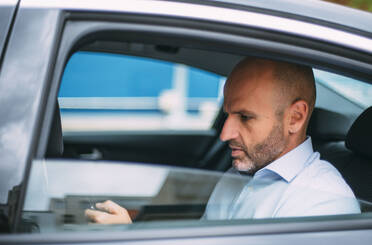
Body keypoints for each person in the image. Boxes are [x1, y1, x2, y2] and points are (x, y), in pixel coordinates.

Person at [85, 58, 360, 224]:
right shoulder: (237, 176)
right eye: (228, 114)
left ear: (295, 118)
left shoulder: (323, 204)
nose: (225, 133)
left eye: (245, 116)